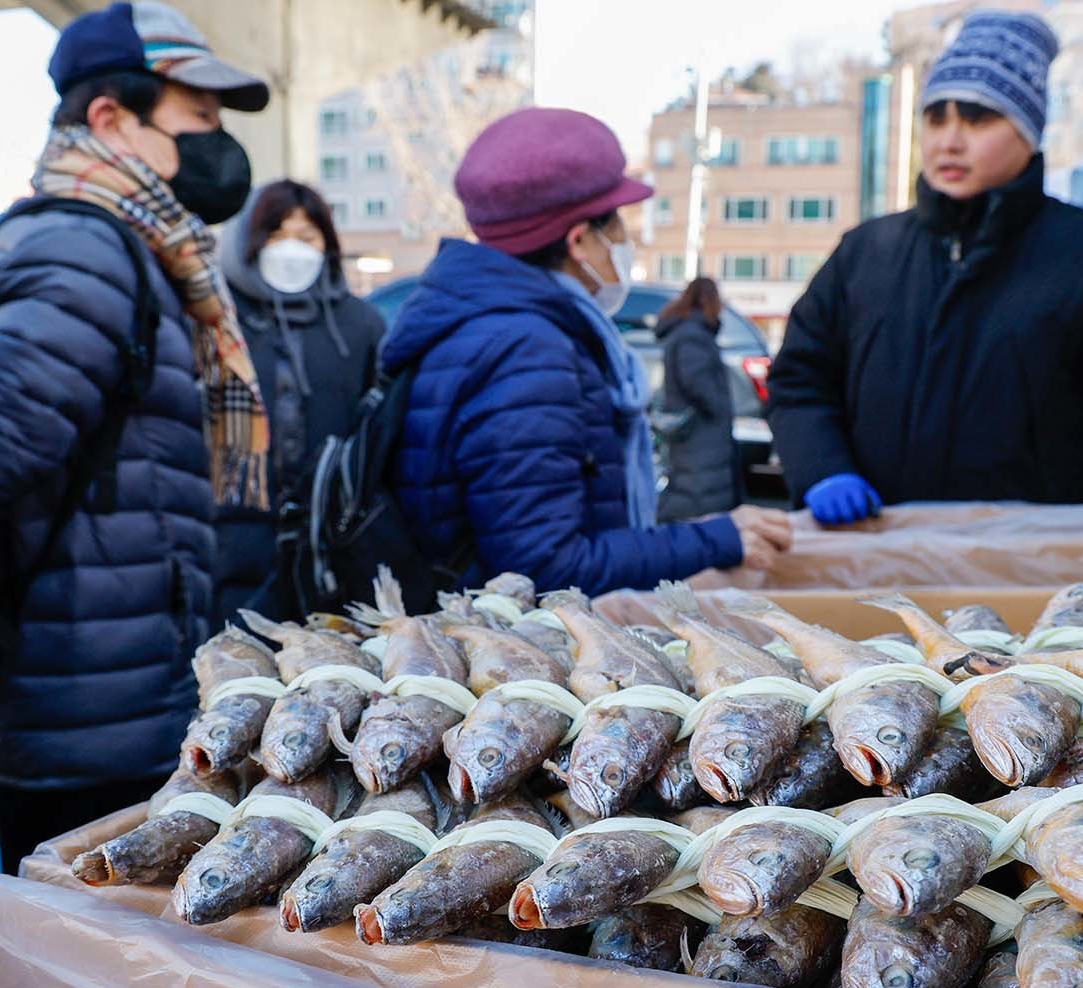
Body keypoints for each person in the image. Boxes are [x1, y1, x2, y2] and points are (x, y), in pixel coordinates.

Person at [0, 0, 271, 873]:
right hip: (75, 710)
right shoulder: (84, 254)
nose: (218, 143)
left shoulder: (141, 249)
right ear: (109, 118)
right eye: (198, 118)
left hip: (110, 692)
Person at [767, 11, 1083, 525]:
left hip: (1027, 580)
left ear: (1027, 129)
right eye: (935, 117)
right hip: (868, 565)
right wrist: (822, 467)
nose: (949, 140)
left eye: (977, 118)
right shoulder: (865, 253)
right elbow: (800, 378)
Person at [381, 108, 791, 596]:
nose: (626, 242)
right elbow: (545, 566)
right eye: (617, 226)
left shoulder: (490, 324)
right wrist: (715, 539)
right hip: (515, 647)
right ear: (580, 241)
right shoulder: (527, 351)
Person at [213, 180, 385, 629]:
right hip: (235, 537)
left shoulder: (358, 323)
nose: (292, 250)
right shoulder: (216, 317)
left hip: (333, 540)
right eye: (276, 235)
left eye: (307, 237)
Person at [655, 277, 742, 522]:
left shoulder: (687, 331)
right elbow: (696, 381)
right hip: (701, 431)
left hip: (694, 430)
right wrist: (719, 407)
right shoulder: (693, 335)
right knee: (699, 495)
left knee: (695, 488)